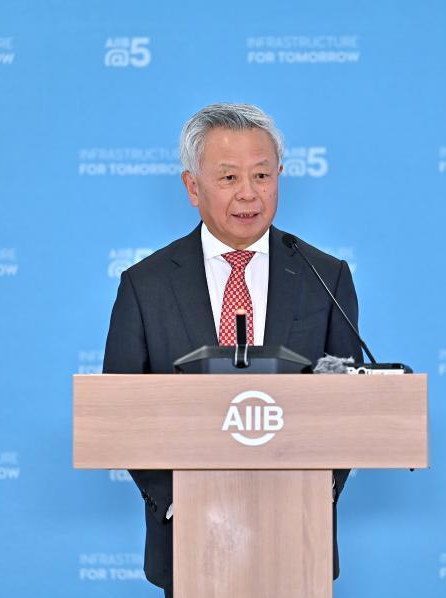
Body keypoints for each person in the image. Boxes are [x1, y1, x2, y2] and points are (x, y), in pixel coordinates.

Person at [102, 103, 362, 597]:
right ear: (192, 187)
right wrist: (178, 499)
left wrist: (316, 491)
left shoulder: (324, 276)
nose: (248, 193)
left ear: (279, 177)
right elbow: (121, 411)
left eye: (262, 175)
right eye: (228, 177)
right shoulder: (146, 285)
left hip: (299, 533)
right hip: (187, 535)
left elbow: (348, 405)